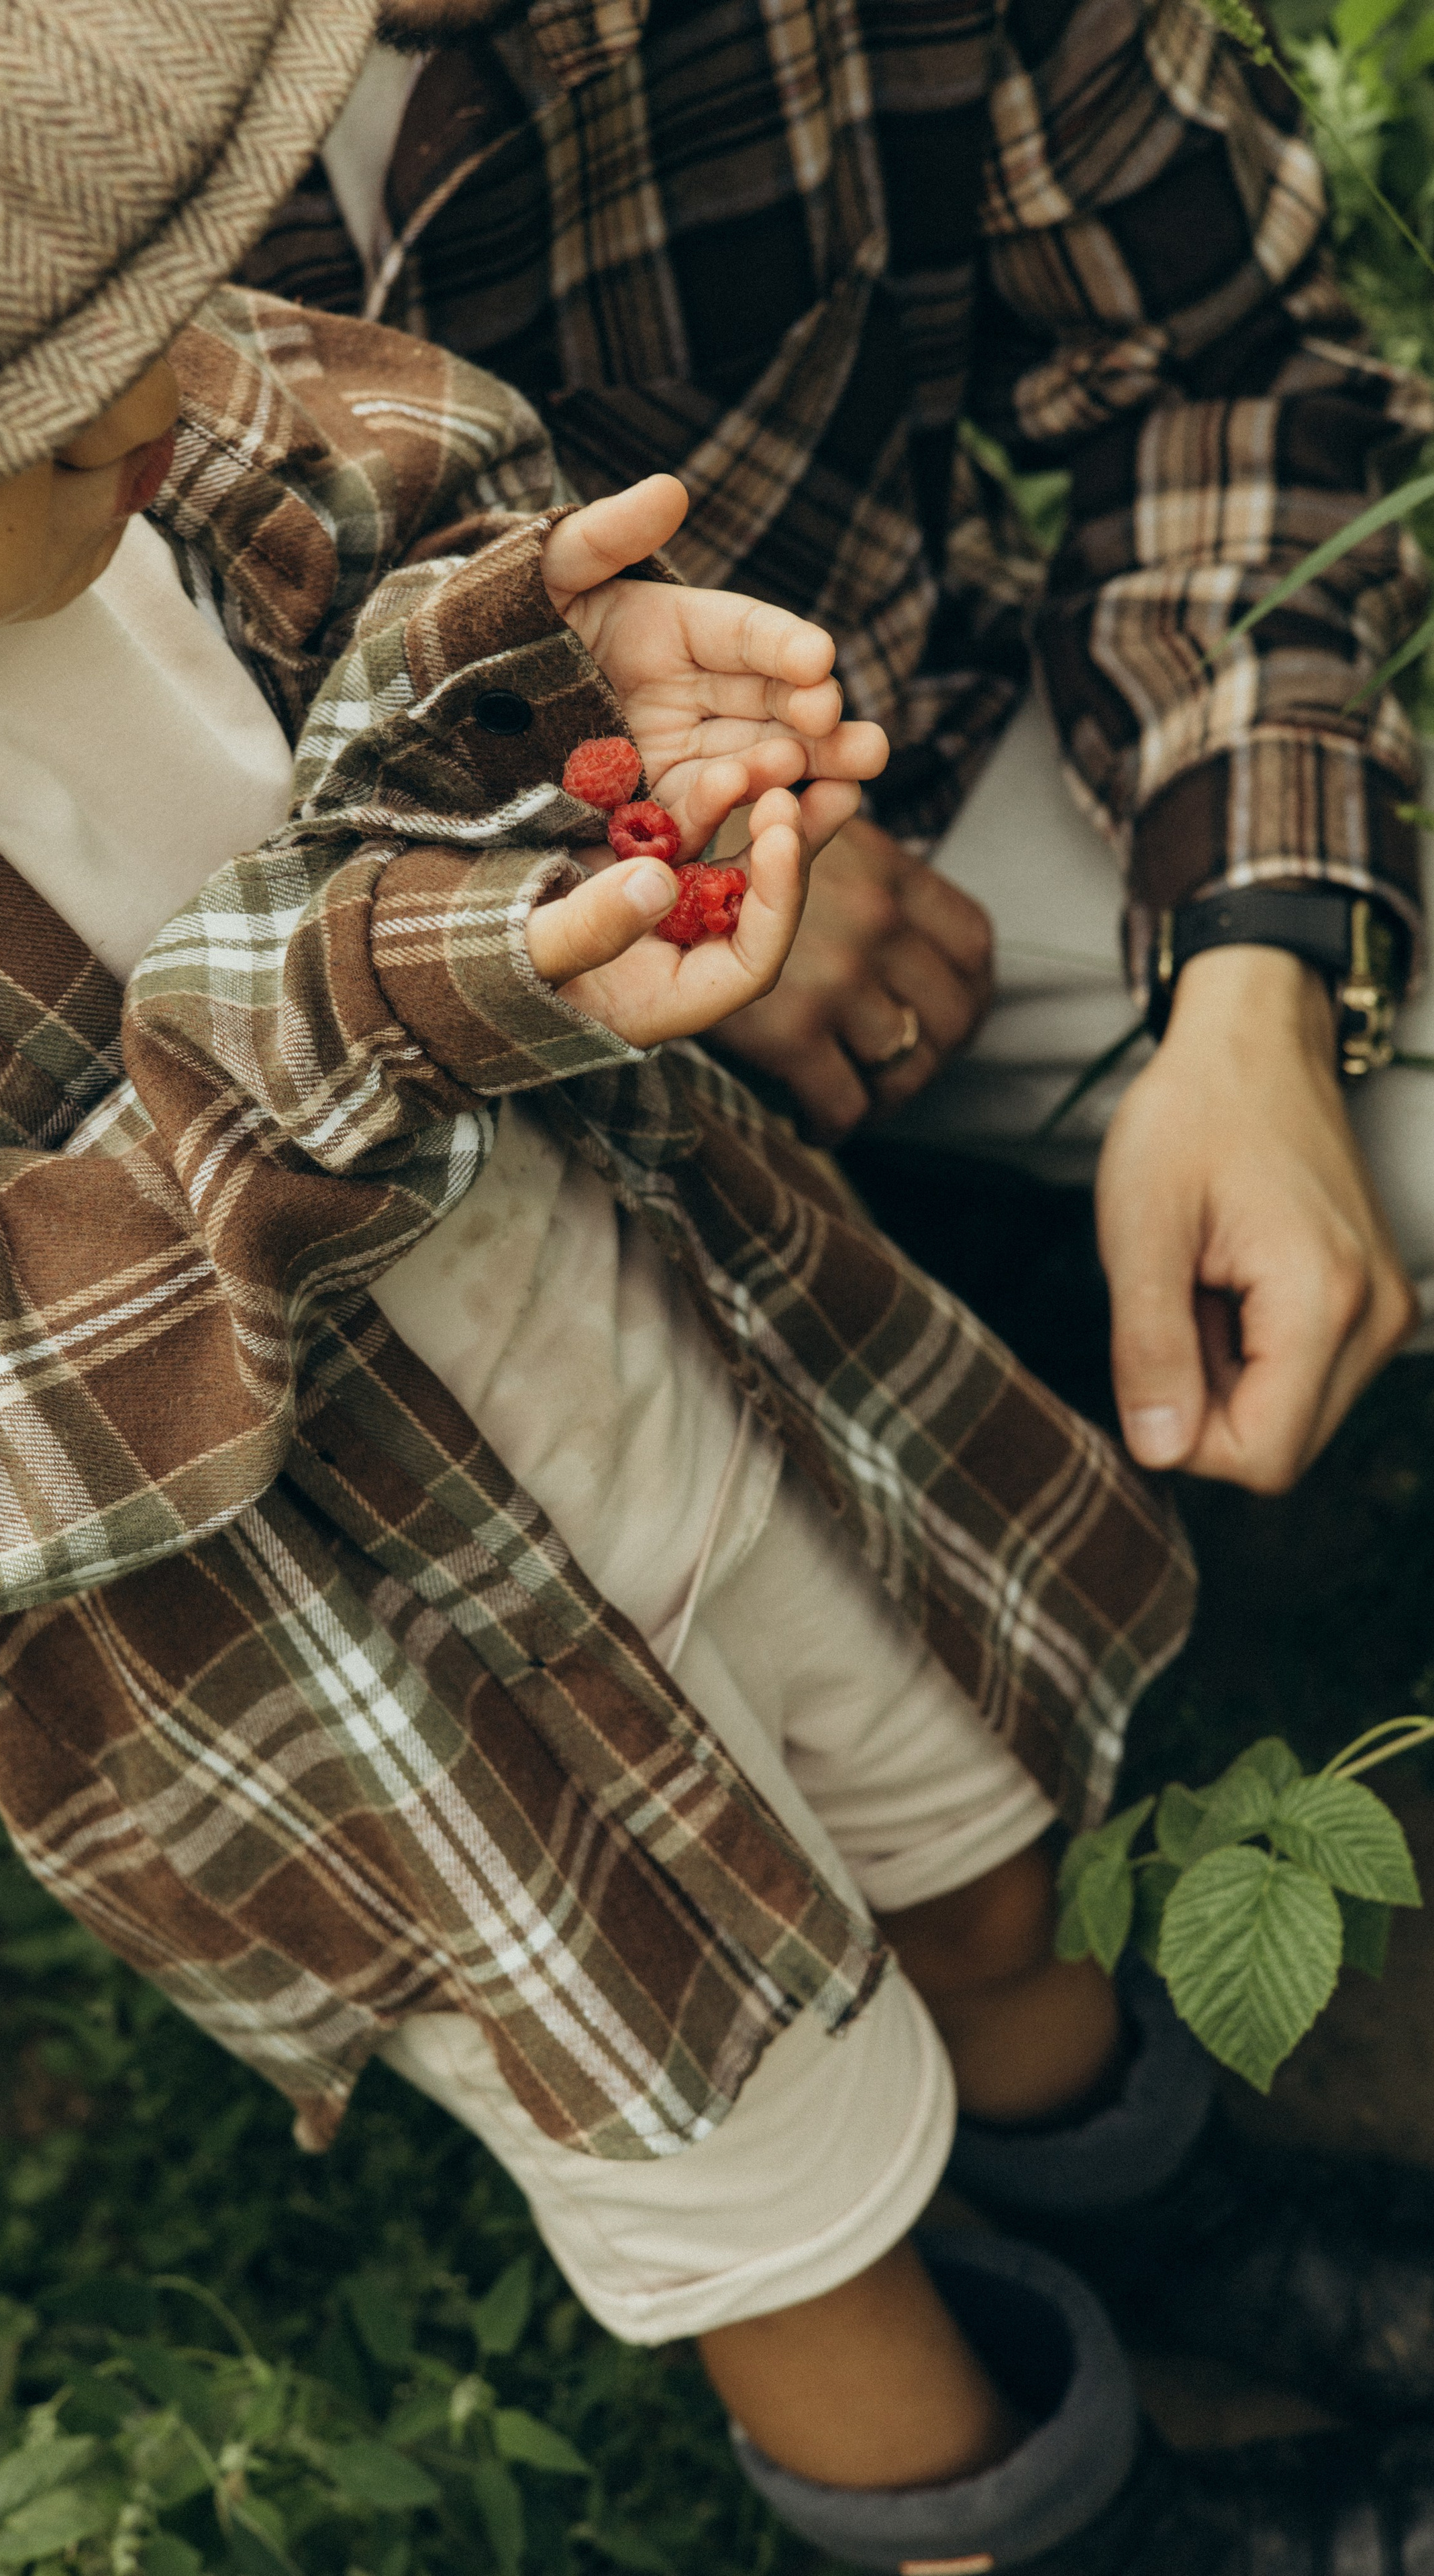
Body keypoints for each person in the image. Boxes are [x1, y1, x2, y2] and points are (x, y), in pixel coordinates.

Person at [0, 8, 1431, 2573]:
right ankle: (1045, 2522)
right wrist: (356, 1007)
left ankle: (1169, 2211)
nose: (172, 405)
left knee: (969, 1830)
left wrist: (542, 653)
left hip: (664, 1341)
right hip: (366, 1654)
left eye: (177, 323)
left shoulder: (112, 395)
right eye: (69, 421)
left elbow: (383, 497)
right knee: (770, 2174)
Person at [239, 0, 1434, 1503]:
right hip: (345, 979)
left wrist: (1258, 978)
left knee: (1404, 1147)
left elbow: (1225, 382)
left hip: (909, 763)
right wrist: (617, 865)